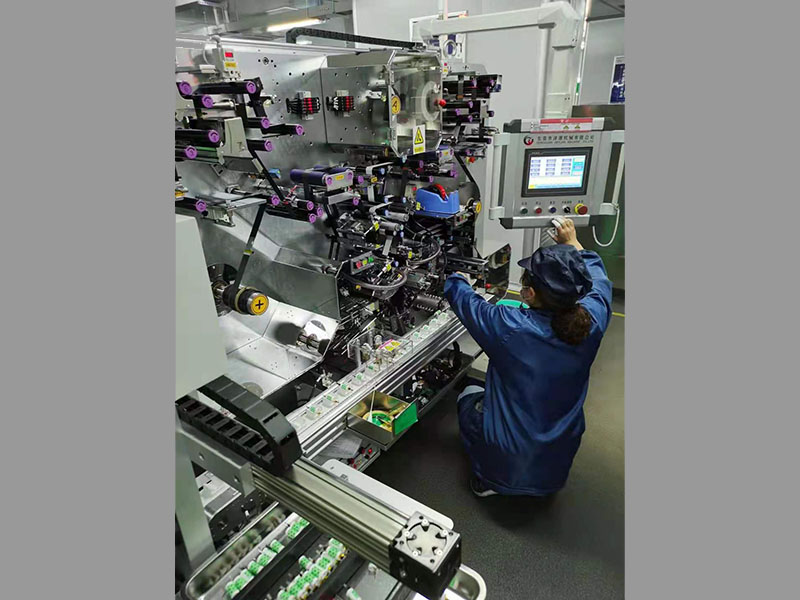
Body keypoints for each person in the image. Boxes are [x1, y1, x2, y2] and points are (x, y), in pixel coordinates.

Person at [444, 217, 613, 497]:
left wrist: (455, 277)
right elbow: (599, 279)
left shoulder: (510, 326)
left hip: (506, 462)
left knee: (469, 394)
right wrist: (573, 242)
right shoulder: (592, 319)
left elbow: (467, 302)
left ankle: (490, 481)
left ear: (530, 293)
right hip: (558, 458)